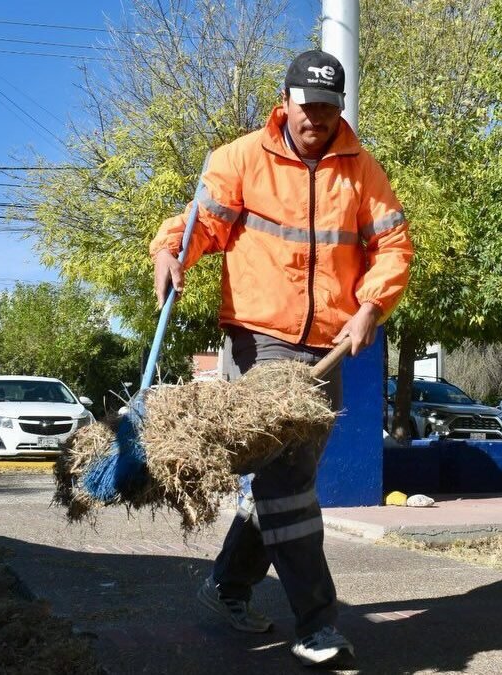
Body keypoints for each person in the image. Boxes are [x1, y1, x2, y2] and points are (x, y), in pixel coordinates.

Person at [150, 49, 413, 667]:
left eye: (327, 107)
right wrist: (170, 253)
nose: (315, 118)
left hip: (328, 344)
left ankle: (225, 587)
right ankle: (317, 624)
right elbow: (199, 226)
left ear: (339, 108)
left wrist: (372, 305)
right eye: (306, 106)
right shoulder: (242, 158)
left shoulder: (362, 172)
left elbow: (394, 245)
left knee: (280, 484)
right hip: (258, 338)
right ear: (285, 102)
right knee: (289, 482)